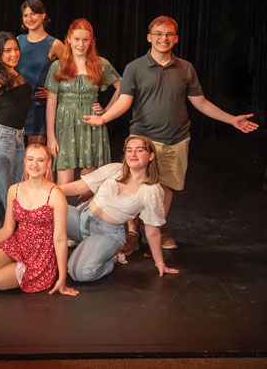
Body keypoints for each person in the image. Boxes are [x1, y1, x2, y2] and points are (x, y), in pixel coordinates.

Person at [83, 16, 259, 251]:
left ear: (175, 38)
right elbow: (125, 101)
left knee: (166, 187)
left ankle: (159, 227)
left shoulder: (185, 68)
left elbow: (202, 103)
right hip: (143, 139)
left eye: (168, 34)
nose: (163, 38)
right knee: (136, 186)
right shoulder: (135, 67)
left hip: (176, 139)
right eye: (158, 34)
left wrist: (231, 119)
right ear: (149, 37)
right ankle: (133, 234)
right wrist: (104, 118)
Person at [58, 136, 179, 282]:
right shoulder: (114, 169)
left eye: (139, 150)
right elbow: (80, 186)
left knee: (80, 273)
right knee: (42, 208)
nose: (133, 154)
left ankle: (112, 258)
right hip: (80, 218)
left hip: (106, 234)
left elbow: (152, 231)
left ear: (151, 156)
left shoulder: (152, 191)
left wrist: (160, 263)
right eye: (129, 150)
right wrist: (48, 190)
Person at [0, 144, 78, 296]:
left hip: (40, 256)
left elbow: (60, 238)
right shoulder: (14, 190)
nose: (34, 165)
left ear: (48, 163)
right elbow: (8, 228)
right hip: (18, 244)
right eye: (30, 159)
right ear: (24, 162)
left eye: (40, 160)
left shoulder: (55, 194)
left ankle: (13, 268)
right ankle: (7, 263)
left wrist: (62, 278)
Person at [45, 19, 121, 186]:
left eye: (85, 40)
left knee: (88, 184)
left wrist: (106, 111)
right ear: (69, 39)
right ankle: (62, 213)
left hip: (90, 125)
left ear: (91, 41)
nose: (81, 44)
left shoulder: (101, 64)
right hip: (64, 126)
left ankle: (83, 213)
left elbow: (121, 87)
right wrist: (51, 136)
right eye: (77, 39)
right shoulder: (58, 66)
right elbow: (51, 101)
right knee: (63, 184)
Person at [0, 32, 32, 239]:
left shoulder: (15, 73)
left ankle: (10, 232)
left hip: (17, 137)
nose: (14, 54)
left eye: (16, 49)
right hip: (1, 137)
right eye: (8, 51)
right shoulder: (0, 76)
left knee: (14, 188)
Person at [17, 0, 63, 145]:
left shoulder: (55, 44)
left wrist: (55, 92)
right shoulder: (18, 41)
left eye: (33, 14)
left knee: (36, 154)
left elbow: (72, 73)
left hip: (39, 108)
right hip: (18, 106)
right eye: (25, 15)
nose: (29, 19)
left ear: (43, 15)